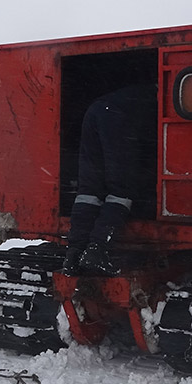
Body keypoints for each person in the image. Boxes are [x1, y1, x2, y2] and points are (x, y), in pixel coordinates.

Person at [63, 83, 158, 275]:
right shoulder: (158, 100)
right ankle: (97, 250)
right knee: (121, 190)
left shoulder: (137, 94)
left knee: (89, 190)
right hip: (118, 118)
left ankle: (74, 254)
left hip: (96, 110)